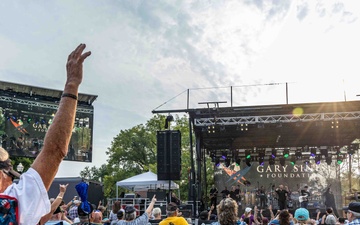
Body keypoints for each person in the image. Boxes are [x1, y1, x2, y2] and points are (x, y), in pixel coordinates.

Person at [0, 44, 91, 225]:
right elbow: (55, 150)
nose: (11, 181)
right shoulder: (10, 206)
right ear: (2, 177)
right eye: (9, 173)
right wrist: (72, 84)